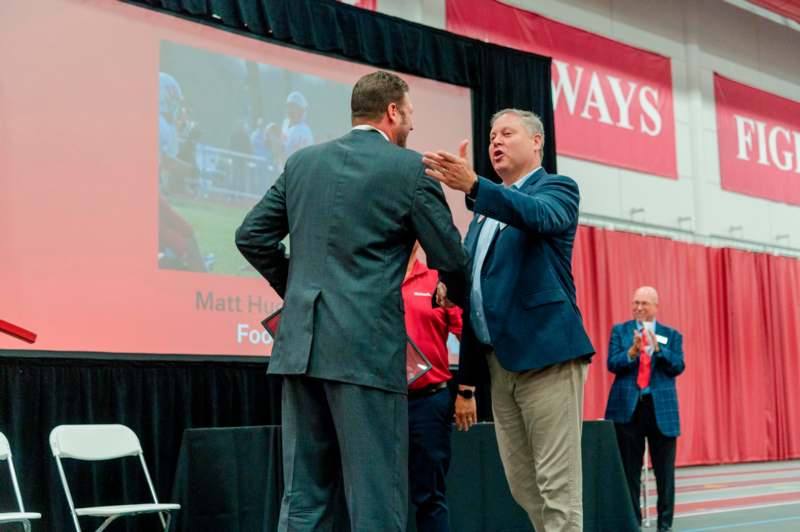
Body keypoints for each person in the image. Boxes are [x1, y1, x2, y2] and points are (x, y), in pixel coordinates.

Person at [235, 70, 469, 532]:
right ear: (393, 112)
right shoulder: (410, 170)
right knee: (376, 500)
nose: (413, 127)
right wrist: (449, 293)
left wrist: (300, 294)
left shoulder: (303, 162)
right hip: (365, 351)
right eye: (411, 115)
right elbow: (452, 259)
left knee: (303, 498)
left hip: (301, 348)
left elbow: (250, 236)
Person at [423, 108, 595, 531]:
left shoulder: (557, 189)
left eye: (507, 133)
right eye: (491, 135)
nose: (495, 141)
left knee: (559, 489)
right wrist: (451, 286)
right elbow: (479, 281)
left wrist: (476, 186)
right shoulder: (482, 214)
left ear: (537, 142)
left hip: (547, 357)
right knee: (523, 486)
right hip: (500, 365)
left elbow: (538, 218)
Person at [605, 286, 685, 532]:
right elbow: (612, 363)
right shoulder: (621, 331)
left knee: (664, 473)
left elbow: (678, 365)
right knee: (629, 472)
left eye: (644, 304)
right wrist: (632, 351)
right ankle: (633, 523)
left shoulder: (671, 335)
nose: (638, 308)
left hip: (661, 410)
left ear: (655, 306)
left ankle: (665, 524)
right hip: (628, 410)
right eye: (635, 303)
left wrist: (658, 349)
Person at [403, 242, 462, 532]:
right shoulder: (370, 278)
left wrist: (468, 390)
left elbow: (470, 336)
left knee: (430, 497)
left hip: (428, 402)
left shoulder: (437, 280)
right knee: (376, 495)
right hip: (378, 402)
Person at [281, 91, 314, 157]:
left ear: (301, 111)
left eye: (294, 108)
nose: (290, 111)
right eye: (289, 107)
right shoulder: (286, 123)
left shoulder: (303, 131)